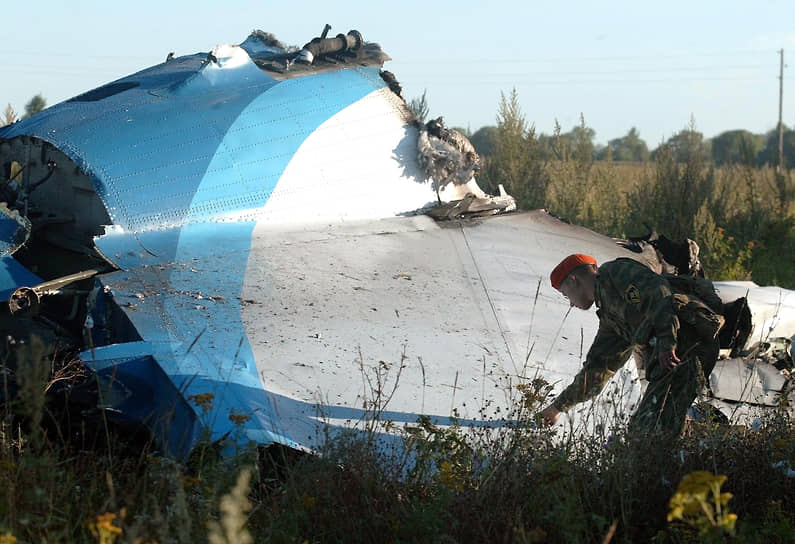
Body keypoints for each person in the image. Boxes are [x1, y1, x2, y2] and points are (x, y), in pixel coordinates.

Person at [540, 254, 725, 436]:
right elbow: (596, 371)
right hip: (675, 358)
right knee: (649, 427)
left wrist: (667, 342)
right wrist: (557, 407)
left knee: (648, 430)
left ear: (573, 280)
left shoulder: (616, 272)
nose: (571, 304)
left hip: (689, 347)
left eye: (566, 295)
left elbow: (659, 293)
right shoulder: (611, 319)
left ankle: (717, 448)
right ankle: (712, 446)